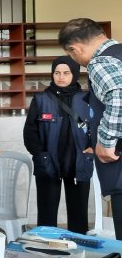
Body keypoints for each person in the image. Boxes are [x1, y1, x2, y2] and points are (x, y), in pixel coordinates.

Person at [59, 18, 122, 238]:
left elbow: (119, 95)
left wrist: (106, 142)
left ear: (75, 49)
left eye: (72, 56)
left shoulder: (100, 62)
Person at [23, 56, 93, 234]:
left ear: (75, 74)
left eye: (66, 73)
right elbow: (30, 132)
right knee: (46, 219)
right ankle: (47, 251)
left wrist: (92, 147)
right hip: (48, 164)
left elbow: (97, 126)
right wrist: (40, 154)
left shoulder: (87, 98)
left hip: (78, 163)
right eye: (57, 72)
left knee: (79, 218)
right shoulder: (40, 99)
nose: (61, 77)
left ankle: (79, 250)